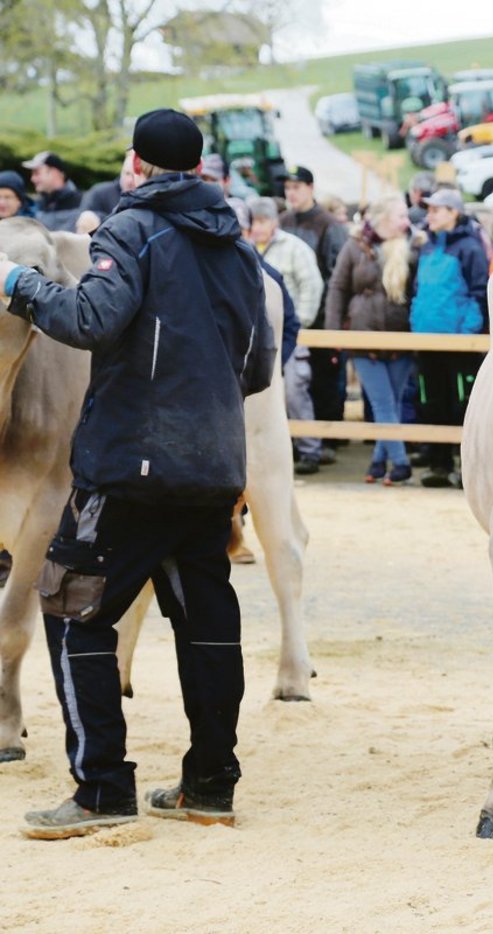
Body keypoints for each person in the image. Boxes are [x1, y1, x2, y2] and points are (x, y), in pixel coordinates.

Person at [0, 108, 276, 838]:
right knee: (207, 626)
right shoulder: (240, 247)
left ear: (136, 164)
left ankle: (100, 791)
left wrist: (20, 285)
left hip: (130, 468)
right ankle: (211, 784)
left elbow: (91, 321)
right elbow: (259, 364)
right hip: (214, 468)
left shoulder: (128, 229)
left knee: (70, 610)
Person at [325, 194, 422, 485]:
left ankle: (380, 462)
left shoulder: (414, 247)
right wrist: (332, 333)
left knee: (389, 404)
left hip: (400, 336)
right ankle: (401, 464)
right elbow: (338, 288)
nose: (407, 221)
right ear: (381, 220)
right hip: (363, 336)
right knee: (383, 403)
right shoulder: (355, 246)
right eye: (400, 216)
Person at [410, 189, 488, 489]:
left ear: (453, 212)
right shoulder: (427, 248)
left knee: (462, 404)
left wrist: (466, 331)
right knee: (432, 402)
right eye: (428, 211)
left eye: (436, 210)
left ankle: (468, 469)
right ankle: (438, 465)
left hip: (458, 343)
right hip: (427, 340)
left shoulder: (470, 248)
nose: (429, 216)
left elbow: (480, 291)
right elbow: (418, 290)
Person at [248, 196, 325, 476]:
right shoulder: (244, 250)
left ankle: (310, 448)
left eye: (262, 221)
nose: (257, 227)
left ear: (274, 222)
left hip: (289, 333)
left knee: (295, 391)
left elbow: (311, 286)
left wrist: (300, 323)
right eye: (253, 222)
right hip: (255, 340)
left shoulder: (293, 248)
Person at [279, 165, 349, 463]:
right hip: (289, 318)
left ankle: (328, 437)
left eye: (297, 187)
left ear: (310, 188)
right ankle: (297, 439)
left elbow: (337, 275)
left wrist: (331, 318)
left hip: (319, 317)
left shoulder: (329, 225)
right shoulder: (281, 222)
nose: (291, 193)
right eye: (287, 188)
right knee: (292, 384)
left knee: (324, 378)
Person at [24, 151, 83, 232]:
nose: (32, 179)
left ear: (54, 172)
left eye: (37, 173)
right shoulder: (38, 204)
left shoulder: (82, 202)